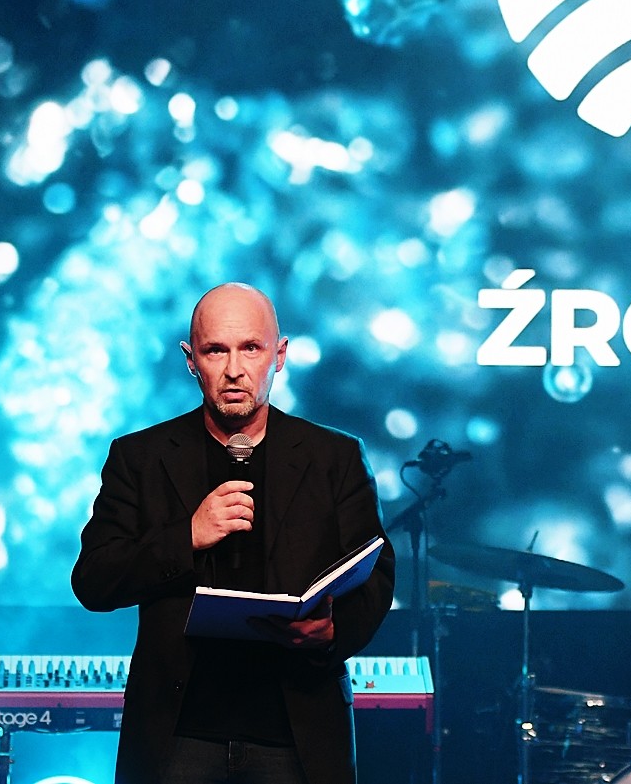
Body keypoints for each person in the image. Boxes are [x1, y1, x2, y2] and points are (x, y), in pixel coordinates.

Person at [73, 283, 396, 784]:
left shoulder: (334, 456)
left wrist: (334, 630)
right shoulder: (140, 457)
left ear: (279, 355)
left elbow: (376, 573)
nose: (234, 369)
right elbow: (93, 580)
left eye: (251, 348)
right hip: (177, 736)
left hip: (297, 732)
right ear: (191, 360)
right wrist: (187, 536)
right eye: (215, 351)